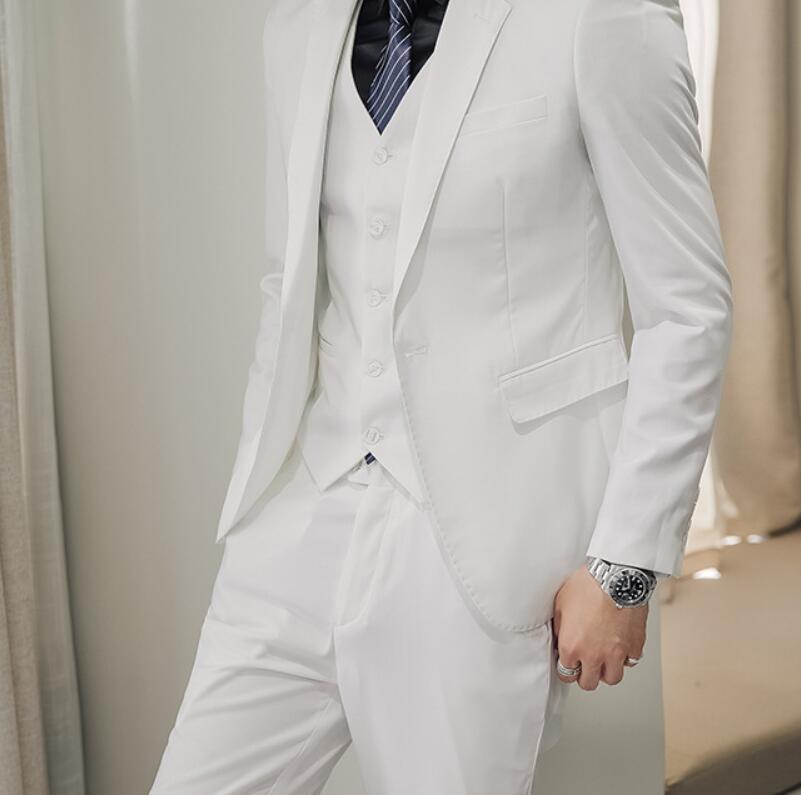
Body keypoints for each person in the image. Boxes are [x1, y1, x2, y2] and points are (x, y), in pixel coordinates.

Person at [150, 0, 733, 792]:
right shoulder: (296, 21)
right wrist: (259, 505)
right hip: (302, 509)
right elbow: (285, 279)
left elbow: (687, 309)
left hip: (478, 544)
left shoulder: (600, 12)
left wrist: (624, 564)